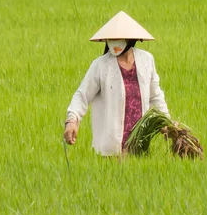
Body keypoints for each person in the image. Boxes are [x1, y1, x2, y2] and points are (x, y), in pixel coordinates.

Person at [64, 11, 170, 156]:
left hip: (140, 143)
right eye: (111, 38)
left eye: (118, 38)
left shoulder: (146, 60)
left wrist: (166, 122)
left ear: (130, 39)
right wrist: (72, 121)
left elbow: (155, 97)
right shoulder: (101, 65)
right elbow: (82, 95)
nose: (114, 41)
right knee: (114, 177)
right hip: (111, 147)